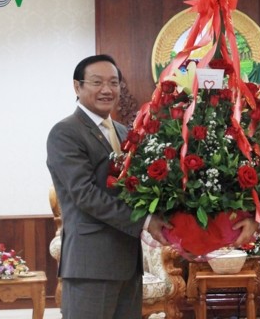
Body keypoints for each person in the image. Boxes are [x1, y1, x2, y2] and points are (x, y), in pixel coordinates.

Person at [46, 54, 172, 319]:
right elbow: (86, 195)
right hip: (90, 265)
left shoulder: (124, 133)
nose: (107, 89)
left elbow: (137, 191)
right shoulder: (66, 133)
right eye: (97, 82)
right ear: (77, 87)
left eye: (114, 83)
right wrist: (147, 222)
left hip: (128, 263)